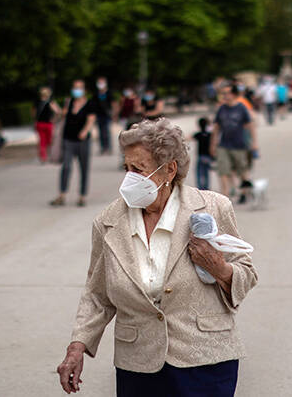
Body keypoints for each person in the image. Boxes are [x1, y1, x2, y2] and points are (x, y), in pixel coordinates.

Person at [56, 118, 258, 396]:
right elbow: (97, 294)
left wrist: (219, 268)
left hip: (205, 359)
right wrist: (77, 346)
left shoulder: (212, 207)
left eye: (138, 169)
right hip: (139, 365)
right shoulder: (108, 222)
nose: (129, 178)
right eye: (126, 168)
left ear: (170, 170)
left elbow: (247, 272)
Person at [50, 80, 96, 207]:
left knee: (84, 168)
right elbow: (63, 115)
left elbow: (91, 120)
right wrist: (57, 109)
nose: (77, 90)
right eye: (75, 88)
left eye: (79, 88)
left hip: (82, 141)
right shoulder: (69, 102)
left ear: (84, 90)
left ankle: (82, 196)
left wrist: (85, 131)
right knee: (66, 166)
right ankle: (62, 194)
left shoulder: (90, 104)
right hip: (68, 139)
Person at [210, 86, 257, 200]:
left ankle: (244, 191)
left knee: (242, 170)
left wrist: (254, 142)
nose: (224, 96)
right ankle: (224, 196)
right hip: (224, 145)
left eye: (227, 93)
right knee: (223, 170)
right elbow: (216, 127)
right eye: (223, 93)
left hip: (239, 145)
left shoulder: (241, 108)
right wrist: (213, 143)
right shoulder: (222, 109)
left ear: (233, 95)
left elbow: (250, 126)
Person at [33, 87, 61, 163]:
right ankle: (50, 156)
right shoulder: (50, 102)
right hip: (48, 124)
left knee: (42, 141)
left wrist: (34, 122)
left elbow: (34, 113)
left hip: (39, 123)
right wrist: (54, 119)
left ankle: (43, 157)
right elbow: (58, 111)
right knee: (50, 140)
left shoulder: (37, 102)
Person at [94, 77, 115, 155]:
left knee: (106, 132)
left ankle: (108, 147)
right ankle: (103, 148)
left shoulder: (109, 93)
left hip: (107, 115)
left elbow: (113, 103)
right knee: (100, 132)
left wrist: (113, 113)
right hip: (99, 115)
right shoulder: (96, 94)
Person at [193, 117, 212, 190]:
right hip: (208, 157)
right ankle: (207, 187)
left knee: (199, 173)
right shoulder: (210, 135)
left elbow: (188, 138)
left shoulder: (198, 134)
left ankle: (200, 187)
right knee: (206, 173)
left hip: (200, 156)